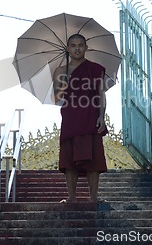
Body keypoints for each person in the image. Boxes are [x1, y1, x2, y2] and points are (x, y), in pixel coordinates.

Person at [52, 33, 108, 203]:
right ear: (68, 49)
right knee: (69, 158)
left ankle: (93, 197)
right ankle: (71, 197)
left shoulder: (96, 68)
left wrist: (102, 116)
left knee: (93, 158)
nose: (77, 49)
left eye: (80, 45)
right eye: (73, 46)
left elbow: (101, 94)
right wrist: (66, 81)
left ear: (86, 48)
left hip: (90, 114)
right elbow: (56, 97)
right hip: (70, 116)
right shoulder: (61, 71)